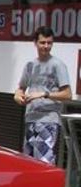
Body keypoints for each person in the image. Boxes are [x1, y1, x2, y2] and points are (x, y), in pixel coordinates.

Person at [13, 26, 71, 165]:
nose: (46, 46)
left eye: (49, 43)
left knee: (44, 162)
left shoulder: (58, 65)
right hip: (30, 119)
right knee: (27, 162)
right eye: (43, 42)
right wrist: (17, 96)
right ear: (35, 43)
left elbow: (67, 94)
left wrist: (44, 94)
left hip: (48, 120)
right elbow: (21, 88)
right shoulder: (30, 65)